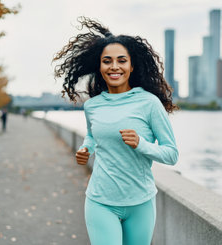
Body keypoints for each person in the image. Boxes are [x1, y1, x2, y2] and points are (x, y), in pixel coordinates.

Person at [53, 17, 179, 245]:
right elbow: (92, 135)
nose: (114, 67)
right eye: (107, 61)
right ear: (99, 66)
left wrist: (141, 144)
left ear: (132, 66)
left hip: (140, 202)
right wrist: (85, 148)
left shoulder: (149, 103)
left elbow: (171, 154)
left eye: (121, 61)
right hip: (100, 200)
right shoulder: (92, 105)